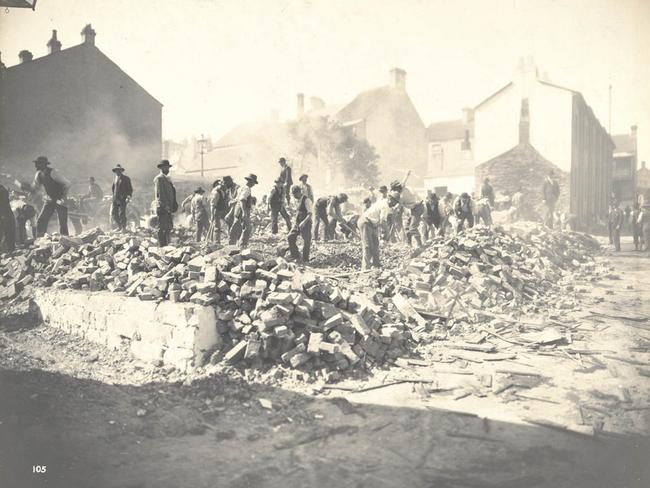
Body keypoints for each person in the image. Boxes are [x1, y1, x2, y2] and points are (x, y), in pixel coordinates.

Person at [358, 191, 400, 269]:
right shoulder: (385, 205)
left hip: (373, 224)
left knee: (375, 244)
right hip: (366, 222)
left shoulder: (386, 205)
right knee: (368, 246)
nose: (395, 204)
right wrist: (387, 232)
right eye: (395, 201)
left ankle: (376, 264)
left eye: (397, 202)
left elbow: (384, 220)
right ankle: (365, 268)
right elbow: (382, 221)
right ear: (390, 199)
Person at [32, 156, 70, 236]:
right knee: (41, 220)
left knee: (62, 223)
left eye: (38, 164)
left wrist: (63, 196)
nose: (36, 166)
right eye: (36, 164)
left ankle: (65, 241)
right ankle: (40, 240)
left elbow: (67, 184)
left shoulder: (53, 173)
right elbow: (35, 187)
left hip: (60, 200)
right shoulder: (38, 175)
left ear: (44, 165)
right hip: (50, 199)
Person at [390, 180, 423, 247]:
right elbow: (404, 180)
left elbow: (398, 206)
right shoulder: (403, 188)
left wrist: (394, 211)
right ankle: (409, 243)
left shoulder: (402, 196)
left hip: (418, 208)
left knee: (413, 227)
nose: (395, 191)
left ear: (397, 188)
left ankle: (420, 244)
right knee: (407, 227)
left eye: (394, 189)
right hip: (414, 208)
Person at [229, 174, 258, 247]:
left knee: (236, 226)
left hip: (238, 209)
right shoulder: (247, 189)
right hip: (242, 210)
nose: (254, 185)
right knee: (247, 227)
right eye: (254, 183)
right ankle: (242, 245)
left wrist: (232, 203)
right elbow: (242, 200)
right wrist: (244, 213)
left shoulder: (241, 188)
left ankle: (232, 244)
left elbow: (237, 199)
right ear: (251, 181)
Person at [153, 159, 177, 246]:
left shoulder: (167, 179)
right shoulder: (159, 179)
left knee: (168, 227)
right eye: (165, 168)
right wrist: (165, 206)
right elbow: (160, 194)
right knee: (162, 227)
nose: (167, 169)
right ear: (161, 168)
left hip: (168, 207)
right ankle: (162, 246)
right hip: (163, 207)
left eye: (168, 167)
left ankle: (167, 245)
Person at [287, 185, 313, 263]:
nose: (294, 196)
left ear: (299, 192)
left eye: (295, 194)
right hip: (297, 223)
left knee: (306, 241)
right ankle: (295, 255)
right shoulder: (297, 201)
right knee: (290, 237)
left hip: (306, 223)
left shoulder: (307, 200)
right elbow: (298, 212)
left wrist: (303, 222)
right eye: (293, 194)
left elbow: (310, 214)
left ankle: (305, 259)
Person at [110, 164, 133, 231]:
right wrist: (113, 197)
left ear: (121, 171)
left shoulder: (126, 179)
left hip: (122, 199)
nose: (117, 171)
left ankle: (124, 228)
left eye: (119, 170)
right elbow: (113, 189)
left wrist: (128, 197)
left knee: (121, 213)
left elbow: (130, 189)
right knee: (114, 214)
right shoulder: (115, 179)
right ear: (115, 171)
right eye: (116, 170)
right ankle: (119, 226)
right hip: (115, 199)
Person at [208, 179, 227, 244]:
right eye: (222, 184)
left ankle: (213, 240)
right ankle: (216, 242)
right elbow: (212, 204)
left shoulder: (221, 191)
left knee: (217, 227)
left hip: (220, 210)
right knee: (216, 227)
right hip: (216, 211)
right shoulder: (215, 192)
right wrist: (212, 214)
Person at [0, 184, 16, 253]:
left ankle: (10, 250)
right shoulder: (2, 189)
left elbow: (4, 202)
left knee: (8, 233)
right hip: (6, 214)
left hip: (5, 214)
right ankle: (10, 250)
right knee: (9, 232)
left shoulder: (2, 189)